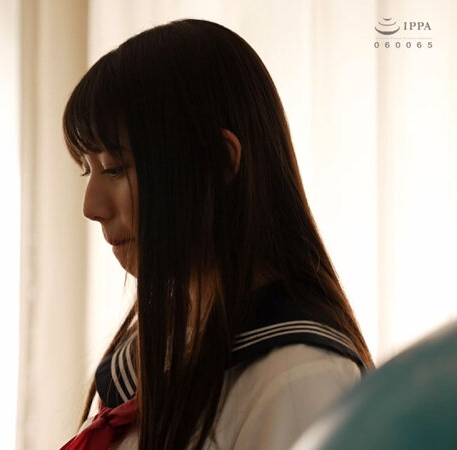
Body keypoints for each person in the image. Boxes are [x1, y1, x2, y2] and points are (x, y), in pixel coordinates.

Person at [59, 19, 374, 450]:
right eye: (88, 170)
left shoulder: (296, 380)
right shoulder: (155, 357)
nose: (91, 207)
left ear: (219, 163)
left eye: (115, 168)